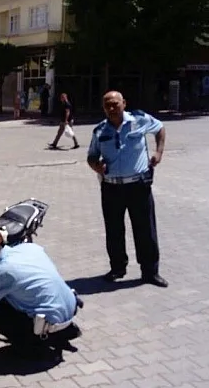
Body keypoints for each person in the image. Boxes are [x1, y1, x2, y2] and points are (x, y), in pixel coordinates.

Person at [86, 91, 168, 288]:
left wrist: (158, 151)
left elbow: (160, 128)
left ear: (124, 103)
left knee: (145, 229)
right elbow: (91, 156)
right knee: (113, 230)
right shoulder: (100, 131)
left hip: (138, 186)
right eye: (107, 105)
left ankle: (150, 272)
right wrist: (96, 165)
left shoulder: (139, 120)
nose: (112, 108)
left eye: (115, 104)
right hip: (111, 188)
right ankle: (117, 268)